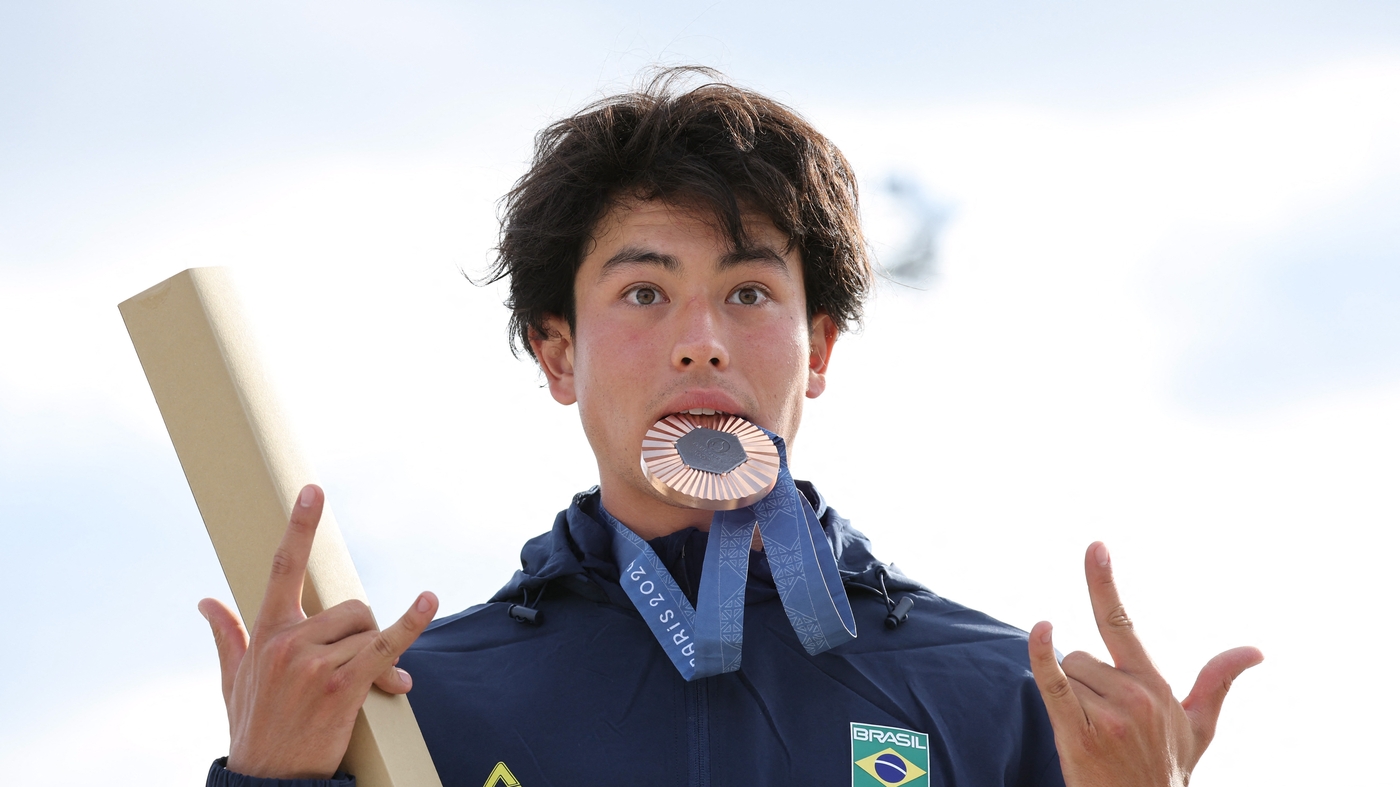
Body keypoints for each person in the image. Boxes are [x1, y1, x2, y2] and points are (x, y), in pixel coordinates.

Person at [197, 70, 1263, 787]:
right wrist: (264, 782)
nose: (701, 341)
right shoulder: (413, 708)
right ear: (556, 351)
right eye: (645, 295)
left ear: (822, 348)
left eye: (748, 294)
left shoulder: (998, 699)